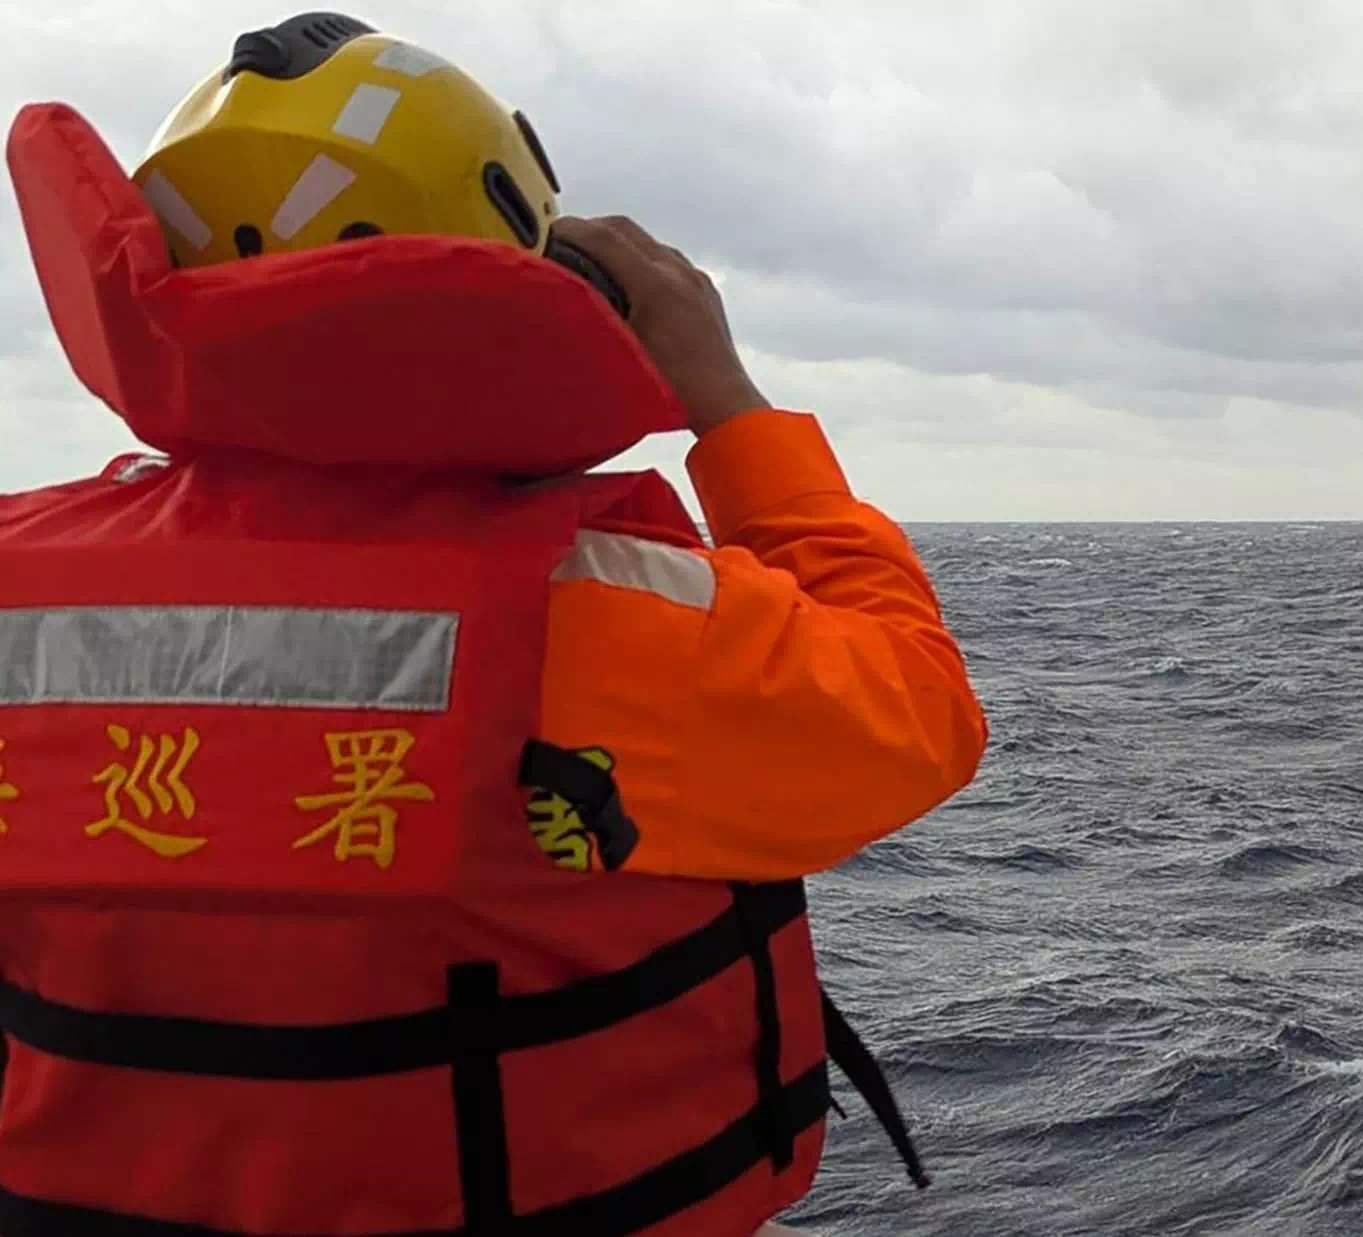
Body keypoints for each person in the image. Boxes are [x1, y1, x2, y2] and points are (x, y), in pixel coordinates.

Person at [0, 11, 985, 1235]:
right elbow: (915, 711)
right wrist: (728, 407)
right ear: (529, 272)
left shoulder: (17, 575)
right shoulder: (604, 608)